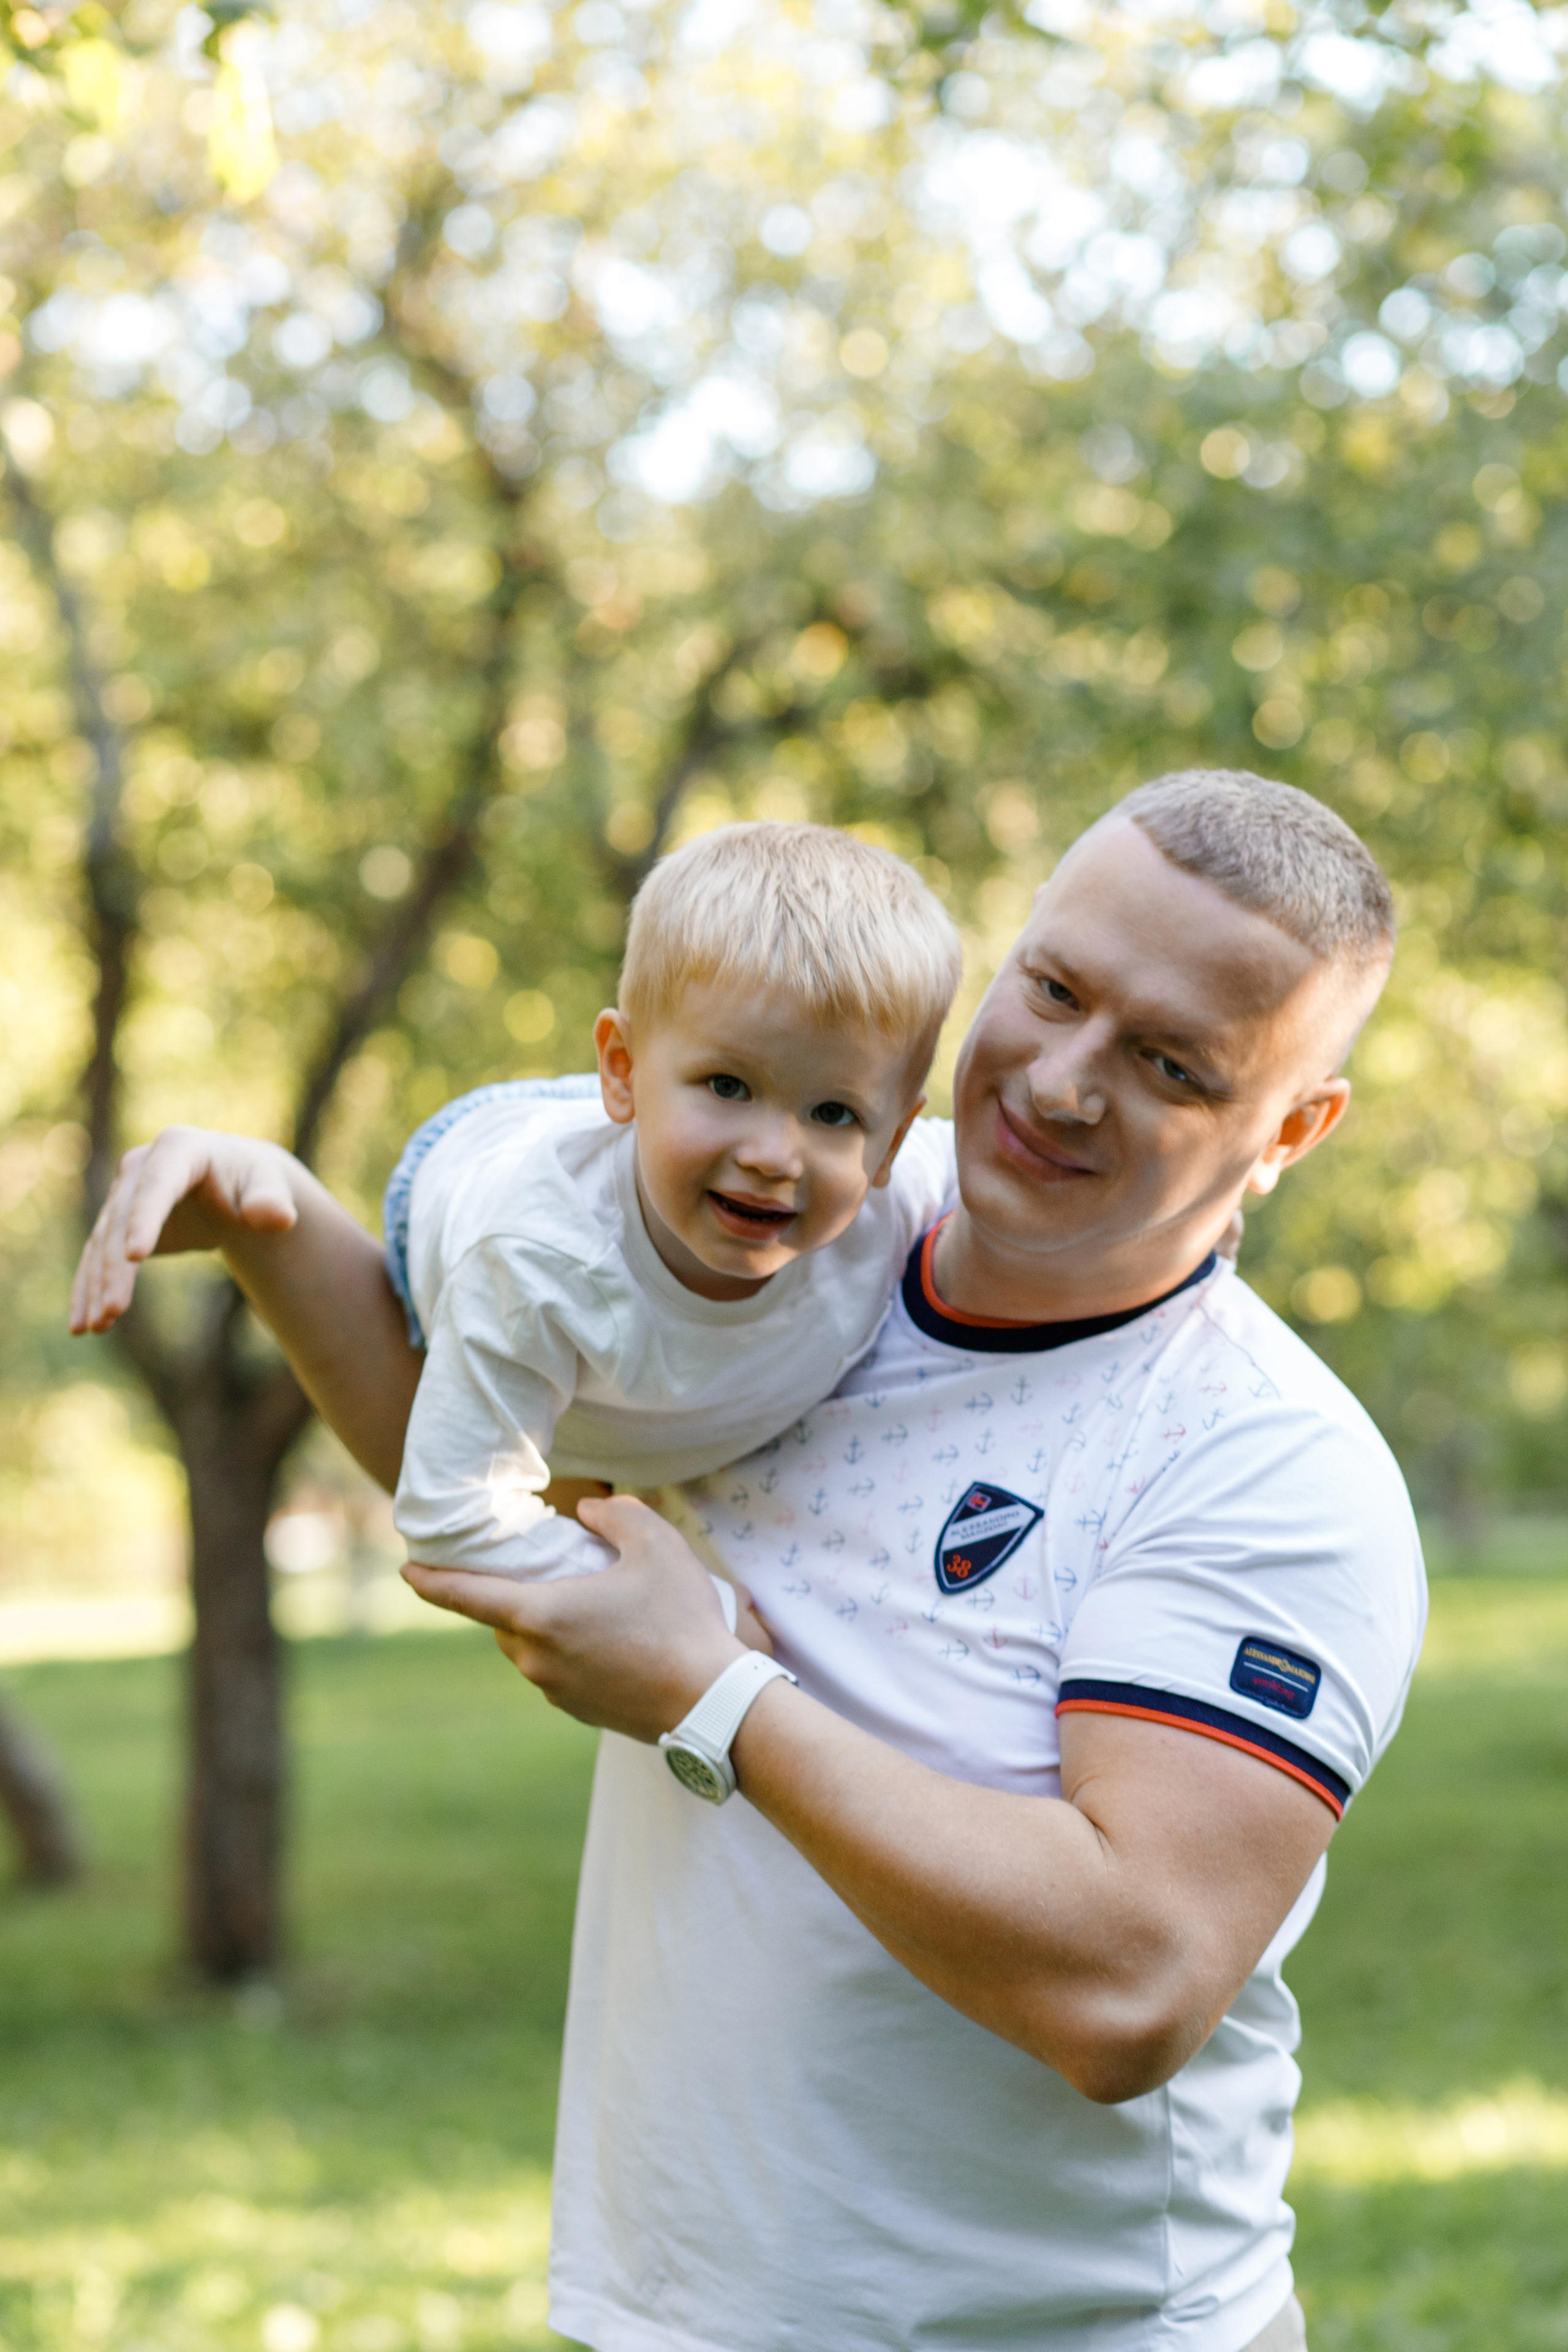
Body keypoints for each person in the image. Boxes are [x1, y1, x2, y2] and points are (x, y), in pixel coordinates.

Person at [72, 770, 1426, 2351]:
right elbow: (513, 1464)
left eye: (1171, 1065)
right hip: (675, 2310)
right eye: (1051, 989)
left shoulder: (1263, 1465)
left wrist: (719, 1700)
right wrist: (274, 1221)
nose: (1060, 1082)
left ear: (1296, 1129)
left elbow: (1128, 1988)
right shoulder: (805, 1223)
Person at [75, 823, 962, 1601]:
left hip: (624, 1174)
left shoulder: (911, 1187)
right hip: (477, 1182)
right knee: (505, 1359)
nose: (775, 1154)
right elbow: (451, 1513)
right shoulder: (538, 1258)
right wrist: (699, 1622)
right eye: (728, 1085)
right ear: (622, 1070)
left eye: (833, 1114)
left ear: (888, 1141)